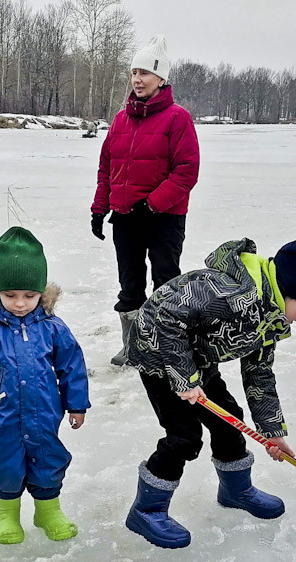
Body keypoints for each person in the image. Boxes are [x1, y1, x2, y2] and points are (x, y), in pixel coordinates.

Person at [124, 237, 296, 548]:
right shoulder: (226, 292)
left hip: (197, 359)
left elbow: (259, 373)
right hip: (158, 354)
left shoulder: (269, 314)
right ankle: (147, 510)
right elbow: (168, 317)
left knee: (229, 419)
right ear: (289, 291)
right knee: (185, 435)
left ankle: (235, 490)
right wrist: (184, 379)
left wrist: (272, 431)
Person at [0, 227, 90, 544]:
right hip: (1, 417)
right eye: (10, 295)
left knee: (47, 459)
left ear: (41, 292)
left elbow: (72, 366)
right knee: (6, 464)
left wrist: (77, 404)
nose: (20, 303)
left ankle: (47, 511)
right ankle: (7, 515)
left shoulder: (53, 328)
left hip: (44, 413)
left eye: (29, 296)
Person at [90, 34, 200, 366]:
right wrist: (99, 209)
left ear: (161, 78)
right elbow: (107, 167)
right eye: (134, 72)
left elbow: (186, 171)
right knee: (130, 285)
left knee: (166, 283)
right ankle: (135, 347)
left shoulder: (177, 119)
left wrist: (151, 204)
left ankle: (168, 348)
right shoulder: (121, 120)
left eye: (145, 73)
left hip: (163, 218)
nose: (137, 80)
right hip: (125, 219)